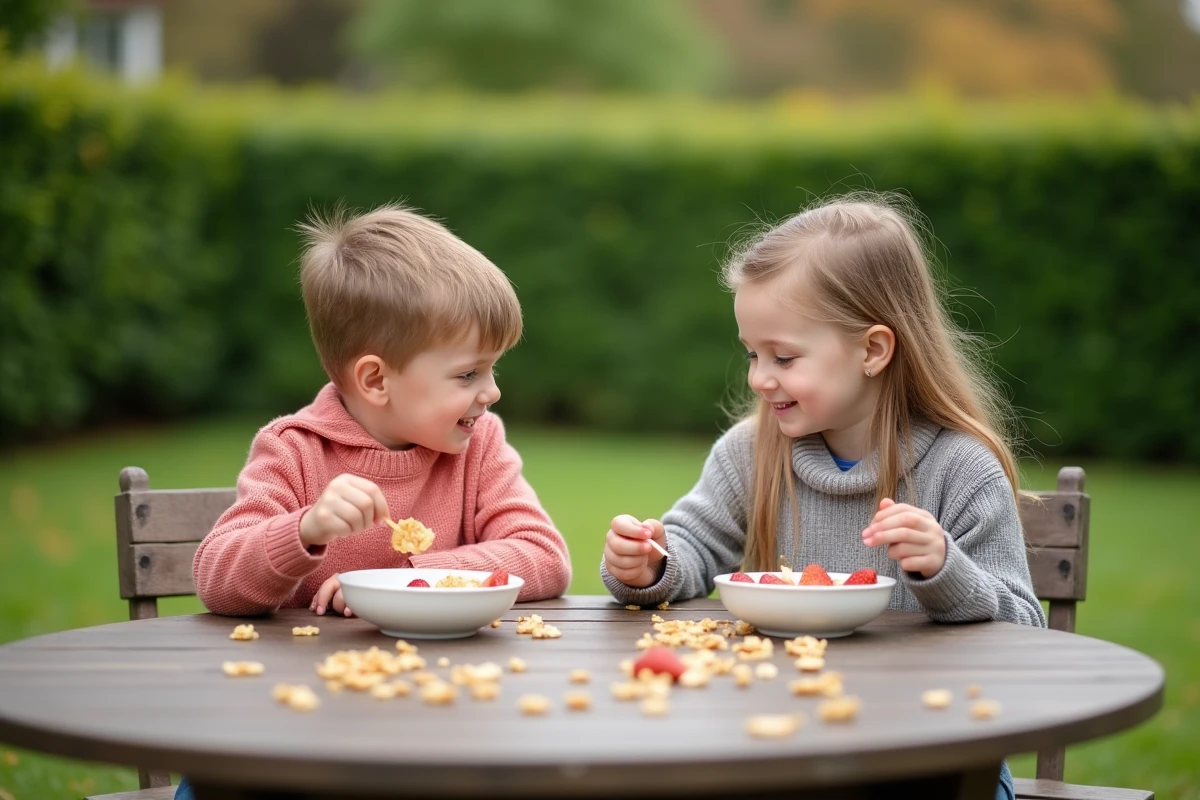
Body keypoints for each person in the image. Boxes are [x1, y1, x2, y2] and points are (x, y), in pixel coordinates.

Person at [602, 195, 1043, 800]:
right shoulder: (750, 453)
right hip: (784, 746)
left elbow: (1025, 630)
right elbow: (691, 547)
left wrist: (943, 569)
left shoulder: (960, 470)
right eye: (752, 354)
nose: (759, 377)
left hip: (931, 761)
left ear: (873, 350)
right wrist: (650, 561)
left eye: (783, 356)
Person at [191, 202, 572, 618]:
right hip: (311, 673)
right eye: (468, 374)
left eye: (491, 368)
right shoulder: (294, 452)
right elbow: (216, 579)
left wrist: (414, 578)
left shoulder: (479, 444)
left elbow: (544, 556)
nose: (492, 392)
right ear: (375, 380)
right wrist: (304, 528)